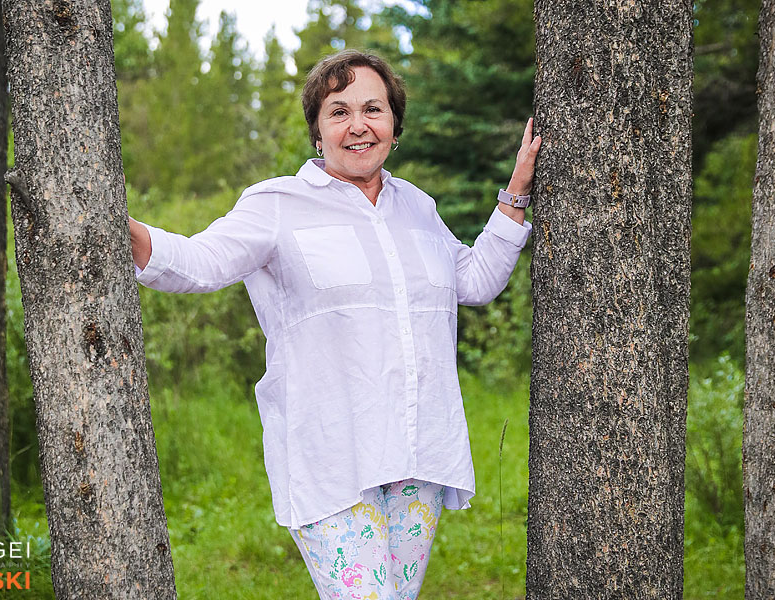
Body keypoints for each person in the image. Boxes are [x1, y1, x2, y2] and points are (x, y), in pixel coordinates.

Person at [129, 49, 540, 600]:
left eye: (373, 108)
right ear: (317, 133)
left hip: (416, 453)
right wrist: (117, 222)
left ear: (394, 124)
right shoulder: (277, 204)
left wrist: (516, 191)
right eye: (338, 111)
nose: (358, 125)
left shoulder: (417, 207)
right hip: (329, 458)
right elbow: (200, 262)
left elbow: (475, 280)